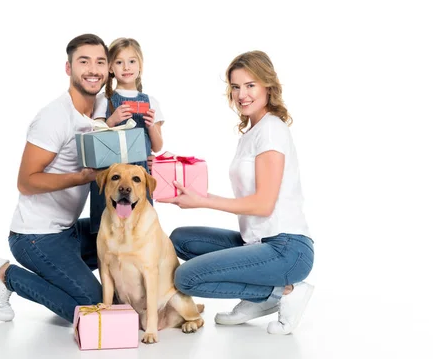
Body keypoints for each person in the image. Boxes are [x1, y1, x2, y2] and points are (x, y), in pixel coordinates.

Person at [158, 51, 314, 335]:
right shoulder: (251, 132)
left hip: (286, 248)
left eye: (250, 85)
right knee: (181, 239)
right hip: (254, 242)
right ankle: (264, 297)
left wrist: (203, 201)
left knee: (186, 278)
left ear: (268, 86)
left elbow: (264, 205)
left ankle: (279, 292)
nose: (242, 94)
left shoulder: (271, 131)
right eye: (235, 86)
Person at [0, 34, 109, 323]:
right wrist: (80, 177)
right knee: (93, 307)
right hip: (36, 237)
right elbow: (26, 181)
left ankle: (62, 282)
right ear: (69, 68)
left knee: (124, 247)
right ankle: (4, 274)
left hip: (69, 231)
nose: (93, 69)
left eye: (100, 62)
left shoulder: (101, 108)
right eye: (83, 62)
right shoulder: (54, 117)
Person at [89, 37, 165, 234]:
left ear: (140, 65)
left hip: (139, 172)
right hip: (110, 173)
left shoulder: (151, 101)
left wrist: (151, 127)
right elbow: (95, 136)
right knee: (107, 230)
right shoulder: (104, 99)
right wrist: (112, 120)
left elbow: (157, 147)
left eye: (132, 61)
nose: (126, 67)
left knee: (140, 229)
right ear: (111, 68)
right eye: (119, 62)